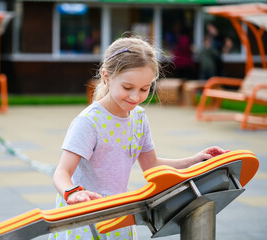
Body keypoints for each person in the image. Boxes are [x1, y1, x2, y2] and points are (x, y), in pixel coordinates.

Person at [49, 35, 227, 240]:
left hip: (117, 212)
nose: (135, 97)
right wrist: (73, 193)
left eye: (144, 89)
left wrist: (195, 160)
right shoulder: (89, 122)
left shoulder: (139, 117)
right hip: (83, 216)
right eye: (127, 88)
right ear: (107, 77)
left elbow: (151, 166)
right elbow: (62, 172)